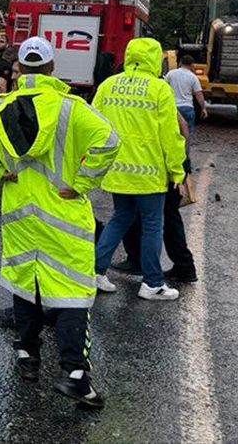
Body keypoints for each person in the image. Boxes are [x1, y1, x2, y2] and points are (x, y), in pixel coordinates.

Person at [0, 36, 119, 407]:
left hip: (20, 213)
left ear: (19, 70)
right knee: (73, 293)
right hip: (63, 215)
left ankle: (28, 355)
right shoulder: (70, 109)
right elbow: (108, 141)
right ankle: (75, 374)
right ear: (51, 68)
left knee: (25, 280)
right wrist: (82, 183)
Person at [91, 38, 187, 301]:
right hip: (149, 173)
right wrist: (177, 171)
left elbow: (93, 123)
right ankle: (153, 283)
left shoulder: (108, 85)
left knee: (120, 218)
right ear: (155, 59)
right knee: (153, 225)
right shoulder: (159, 88)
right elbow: (170, 135)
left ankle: (96, 272)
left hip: (117, 170)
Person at [114, 112, 198, 283]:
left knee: (150, 216)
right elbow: (184, 127)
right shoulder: (159, 99)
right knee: (168, 217)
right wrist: (184, 158)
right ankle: (183, 265)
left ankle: (139, 260)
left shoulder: (155, 98)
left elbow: (181, 126)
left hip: (162, 169)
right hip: (170, 166)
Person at [164, 55, 207, 138]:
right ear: (192, 65)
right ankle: (185, 150)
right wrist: (203, 108)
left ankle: (173, 150)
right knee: (187, 134)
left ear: (180, 63)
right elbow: (199, 95)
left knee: (172, 133)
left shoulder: (171, 74)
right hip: (187, 108)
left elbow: (164, 88)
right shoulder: (193, 77)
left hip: (173, 107)